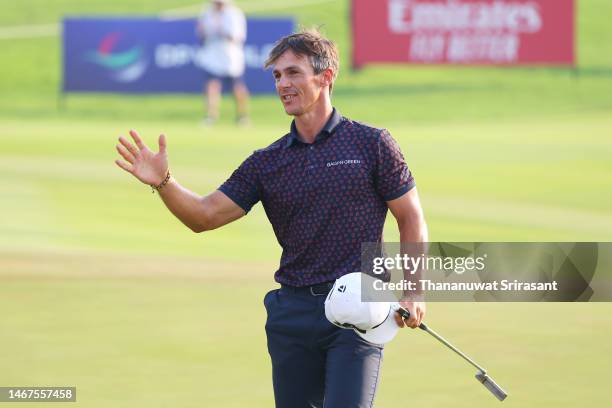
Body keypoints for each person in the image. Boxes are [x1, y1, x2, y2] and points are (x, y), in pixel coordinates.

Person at [115, 29, 427, 408]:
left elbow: (410, 217)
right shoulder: (267, 162)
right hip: (292, 315)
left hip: (357, 311)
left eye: (293, 73)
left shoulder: (371, 144)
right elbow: (204, 216)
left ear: (326, 76)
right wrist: (164, 182)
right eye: (277, 76)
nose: (283, 84)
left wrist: (414, 291)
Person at [196, 0, 249, 125]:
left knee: (237, 86)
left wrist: (220, 27)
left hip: (230, 56)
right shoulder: (206, 13)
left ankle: (242, 116)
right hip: (213, 54)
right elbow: (202, 34)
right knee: (212, 85)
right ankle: (211, 115)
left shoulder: (234, 14)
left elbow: (237, 36)